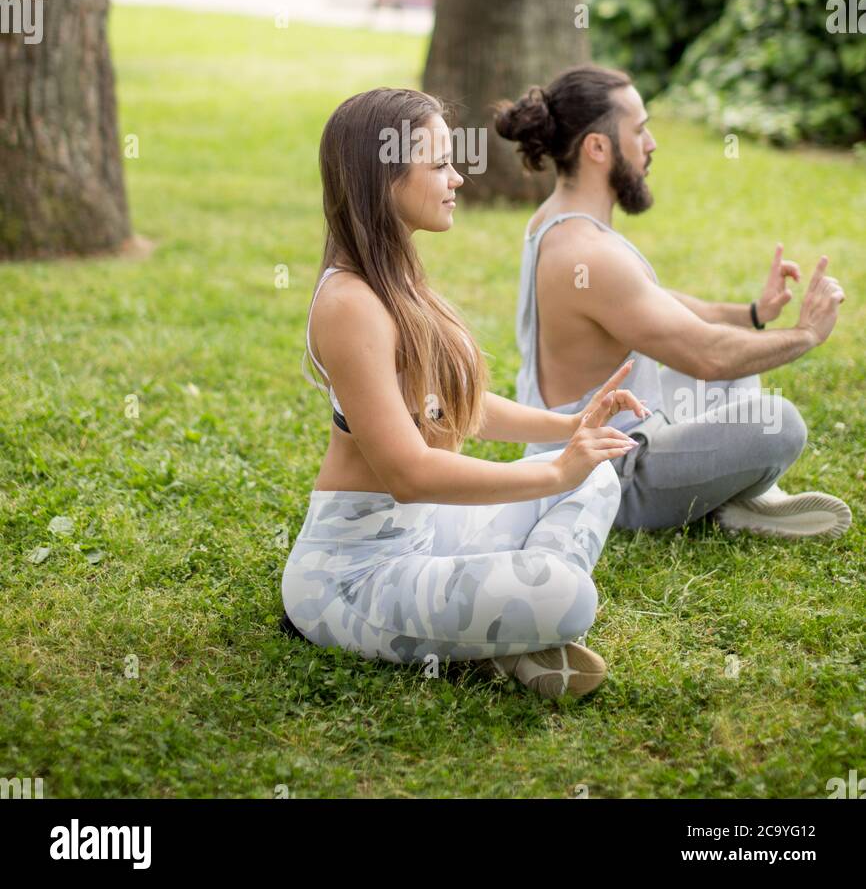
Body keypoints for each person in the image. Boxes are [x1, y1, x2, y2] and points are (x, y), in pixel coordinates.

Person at [281, 86, 650, 700]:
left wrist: (571, 427)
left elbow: (459, 408)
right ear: (382, 178)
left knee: (600, 475)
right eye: (439, 166)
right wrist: (552, 476)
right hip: (355, 578)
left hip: (431, 535)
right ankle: (497, 635)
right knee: (570, 596)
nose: (457, 179)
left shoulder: (396, 277)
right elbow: (410, 474)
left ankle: (491, 635)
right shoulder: (350, 304)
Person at [493, 63, 852, 540]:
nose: (652, 143)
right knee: (778, 423)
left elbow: (652, 301)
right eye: (639, 130)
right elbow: (706, 353)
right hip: (606, 474)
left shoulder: (556, 221)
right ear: (597, 147)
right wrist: (806, 333)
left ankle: (739, 496)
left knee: (740, 355)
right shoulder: (587, 254)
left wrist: (751, 315)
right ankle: (743, 496)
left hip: (607, 434)